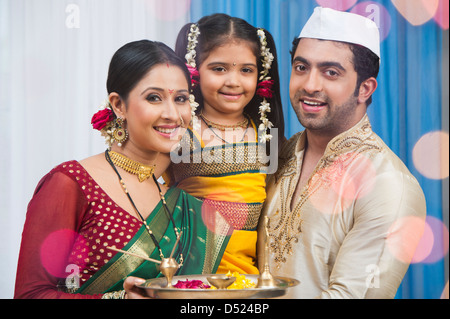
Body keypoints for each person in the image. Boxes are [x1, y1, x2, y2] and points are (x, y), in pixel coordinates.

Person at [14, 40, 231, 299]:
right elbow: (31, 294)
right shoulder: (71, 184)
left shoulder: (182, 204)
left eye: (181, 99)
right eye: (154, 98)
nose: (173, 114)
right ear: (118, 105)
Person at [258, 7, 426, 298]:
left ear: (365, 88)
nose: (310, 85)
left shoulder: (388, 184)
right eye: (301, 67)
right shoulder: (281, 153)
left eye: (331, 72)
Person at [162, 13, 285, 275]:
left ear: (260, 75)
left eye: (246, 70)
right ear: (193, 71)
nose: (233, 81)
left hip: (252, 279)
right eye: (219, 69)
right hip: (192, 275)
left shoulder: (266, 134)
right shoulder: (179, 131)